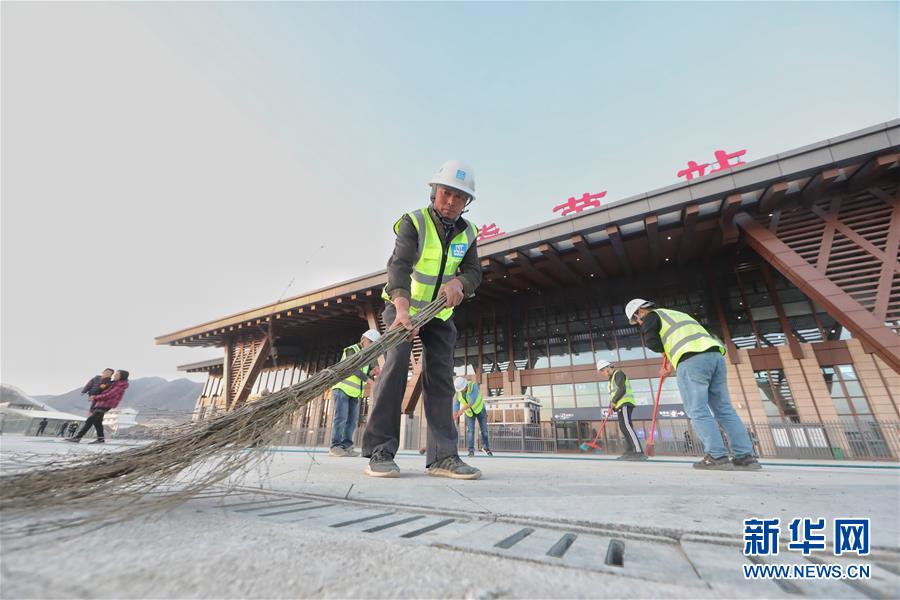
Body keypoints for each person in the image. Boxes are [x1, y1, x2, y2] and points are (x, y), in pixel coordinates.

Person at [361, 160, 482, 480]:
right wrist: (402, 310)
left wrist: (460, 283)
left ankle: (444, 456)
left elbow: (474, 272)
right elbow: (398, 267)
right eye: (446, 193)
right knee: (396, 365)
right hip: (403, 308)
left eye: (460, 196)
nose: (452, 201)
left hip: (439, 314)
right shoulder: (413, 222)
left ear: (467, 202)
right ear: (434, 191)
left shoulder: (469, 233)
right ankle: (381, 450)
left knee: (441, 378)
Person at [625, 299, 761, 471]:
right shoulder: (678, 315)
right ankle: (745, 457)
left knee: (697, 409)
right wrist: (669, 366)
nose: (639, 323)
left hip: (691, 361)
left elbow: (652, 342)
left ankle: (717, 456)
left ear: (640, 311)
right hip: (715, 357)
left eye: (636, 319)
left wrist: (664, 350)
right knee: (724, 409)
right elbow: (686, 341)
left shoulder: (651, 316)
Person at [330, 329, 382, 457]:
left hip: (355, 392)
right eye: (371, 342)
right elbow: (352, 368)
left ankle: (346, 446)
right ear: (363, 339)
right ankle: (335, 446)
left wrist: (373, 372)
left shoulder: (367, 355)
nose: (372, 345)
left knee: (352, 421)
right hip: (342, 388)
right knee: (341, 418)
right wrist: (371, 382)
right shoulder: (351, 350)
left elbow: (365, 372)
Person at [596, 360, 646, 460]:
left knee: (626, 426)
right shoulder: (611, 380)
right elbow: (614, 395)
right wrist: (610, 407)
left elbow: (622, 389)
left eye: (602, 371)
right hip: (619, 405)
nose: (603, 374)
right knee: (623, 428)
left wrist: (614, 402)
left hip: (625, 403)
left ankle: (638, 452)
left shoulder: (618, 374)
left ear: (607, 368)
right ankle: (630, 451)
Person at [67, 370, 130, 444]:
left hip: (106, 405)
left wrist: (95, 397)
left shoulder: (120, 386)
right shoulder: (114, 383)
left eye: (117, 374)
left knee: (90, 420)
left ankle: (77, 437)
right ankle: (100, 439)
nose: (115, 375)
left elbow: (109, 395)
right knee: (97, 422)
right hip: (101, 404)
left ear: (122, 376)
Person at [453, 377, 492, 457]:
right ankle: (471, 451)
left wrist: (461, 410)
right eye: (460, 390)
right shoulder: (458, 392)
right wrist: (455, 414)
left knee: (484, 431)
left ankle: (486, 448)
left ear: (465, 385)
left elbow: (472, 401)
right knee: (470, 432)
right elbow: (456, 404)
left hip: (480, 410)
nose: (461, 390)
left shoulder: (473, 386)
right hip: (469, 413)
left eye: (462, 389)